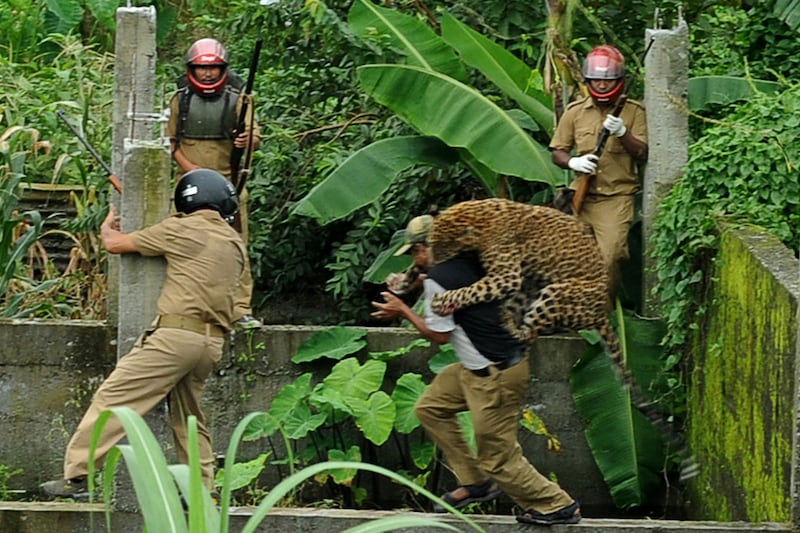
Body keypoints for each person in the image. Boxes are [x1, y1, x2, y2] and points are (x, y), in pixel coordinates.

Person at [41, 169, 245, 499]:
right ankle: (203, 491)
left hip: (175, 338)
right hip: (211, 343)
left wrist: (109, 225)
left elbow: (115, 244)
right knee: (190, 418)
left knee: (115, 399)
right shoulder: (234, 241)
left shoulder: (180, 228)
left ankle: (78, 476)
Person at [371, 215, 581, 526]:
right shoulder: (476, 258)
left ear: (424, 248)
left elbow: (439, 335)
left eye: (414, 253)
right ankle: (475, 483)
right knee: (430, 408)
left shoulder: (439, 281)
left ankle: (557, 505)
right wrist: (411, 284)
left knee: (497, 459)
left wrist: (401, 309)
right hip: (477, 368)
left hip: (494, 377)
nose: (414, 262)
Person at [166, 37, 262, 329]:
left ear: (223, 70)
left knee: (235, 247)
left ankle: (239, 310)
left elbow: (254, 138)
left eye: (214, 69)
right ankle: (184, 309)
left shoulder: (240, 100)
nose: (207, 74)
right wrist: (191, 169)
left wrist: (248, 141)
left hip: (229, 186)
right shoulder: (179, 100)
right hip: (188, 187)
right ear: (191, 69)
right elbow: (169, 143)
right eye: (201, 69)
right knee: (181, 246)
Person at [549, 44, 648, 302]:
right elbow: (557, 151)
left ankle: (600, 311)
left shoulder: (634, 112)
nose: (602, 86)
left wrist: (623, 133)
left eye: (608, 81)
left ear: (618, 81)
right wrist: (573, 163)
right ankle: (567, 310)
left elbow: (643, 153)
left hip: (615, 197)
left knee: (610, 256)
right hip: (580, 196)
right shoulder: (575, 112)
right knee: (564, 257)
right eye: (597, 81)